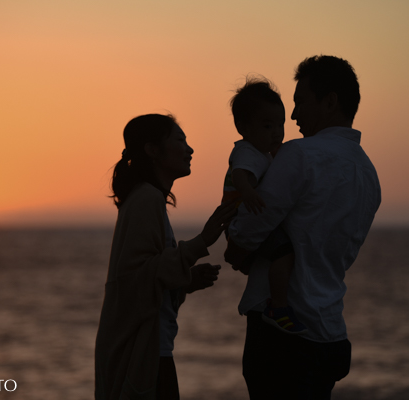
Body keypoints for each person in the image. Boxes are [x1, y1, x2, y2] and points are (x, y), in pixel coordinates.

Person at [225, 55, 382, 399]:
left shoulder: (299, 155)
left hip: (284, 338)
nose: (293, 116)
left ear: (330, 102)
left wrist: (235, 244)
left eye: (300, 103)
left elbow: (243, 234)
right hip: (330, 333)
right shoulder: (369, 175)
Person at [95, 114, 236, 400]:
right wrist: (202, 241)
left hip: (153, 350)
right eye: (180, 140)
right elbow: (136, 277)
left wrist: (185, 282)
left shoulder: (146, 198)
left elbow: (144, 277)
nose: (190, 149)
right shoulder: (146, 198)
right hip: (146, 355)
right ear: (152, 150)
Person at [222, 77, 306, 335]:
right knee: (285, 253)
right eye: (268, 125)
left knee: (267, 258)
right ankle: (278, 307)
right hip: (240, 216)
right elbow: (239, 175)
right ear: (242, 126)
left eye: (280, 125)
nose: (277, 132)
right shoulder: (247, 151)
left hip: (242, 217)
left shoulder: (263, 154)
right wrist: (247, 192)